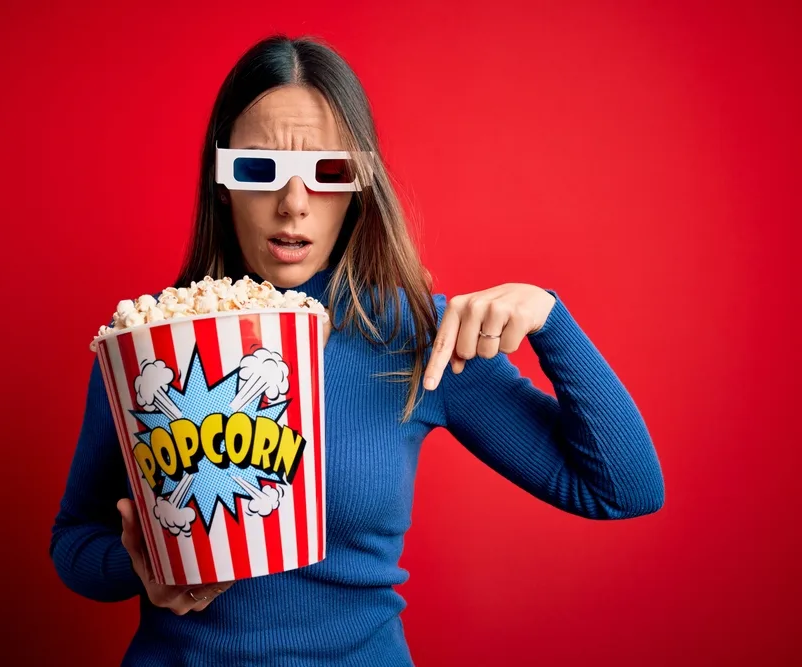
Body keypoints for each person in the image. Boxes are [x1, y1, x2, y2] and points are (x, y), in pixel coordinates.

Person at [50, 34, 665, 666]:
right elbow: (74, 542)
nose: (294, 204)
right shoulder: (151, 341)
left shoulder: (416, 334)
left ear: (359, 184)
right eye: (260, 169)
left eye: (328, 171)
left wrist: (548, 318)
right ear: (222, 180)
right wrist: (139, 564)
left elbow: (624, 487)